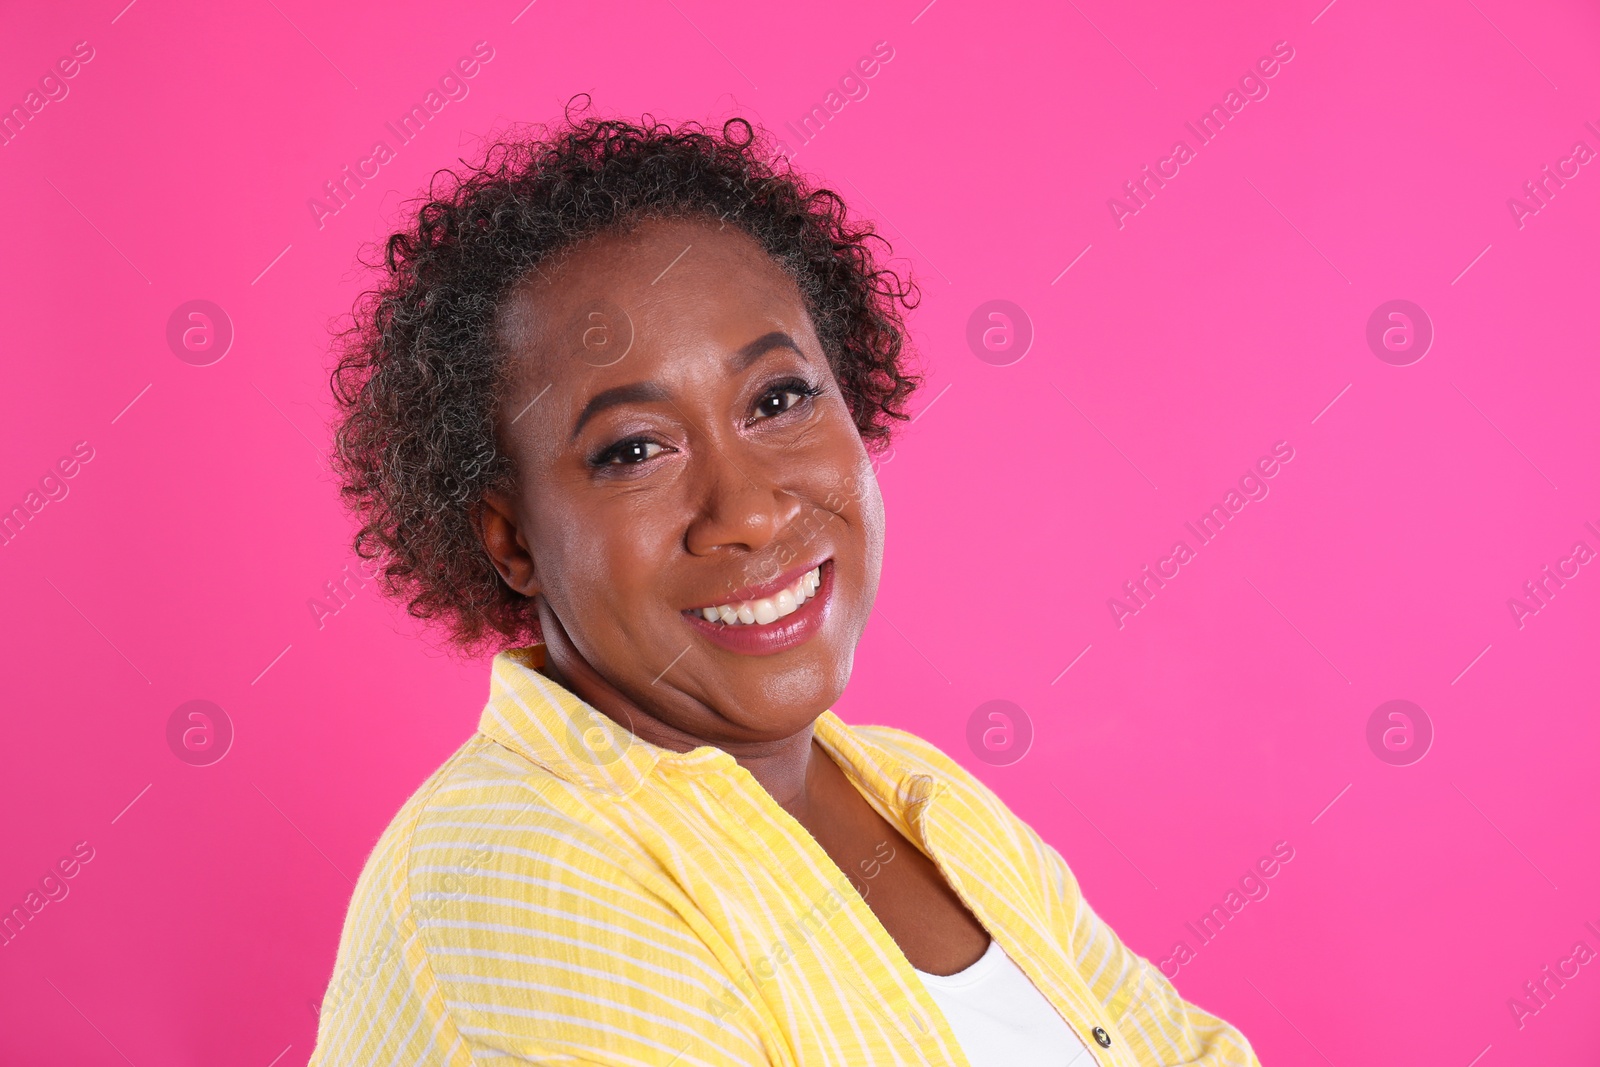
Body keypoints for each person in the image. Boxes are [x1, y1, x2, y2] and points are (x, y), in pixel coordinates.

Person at [308, 106, 1259, 1066]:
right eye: (635, 449)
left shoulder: (929, 802)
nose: (749, 513)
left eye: (777, 399)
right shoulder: (515, 880)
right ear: (512, 540)